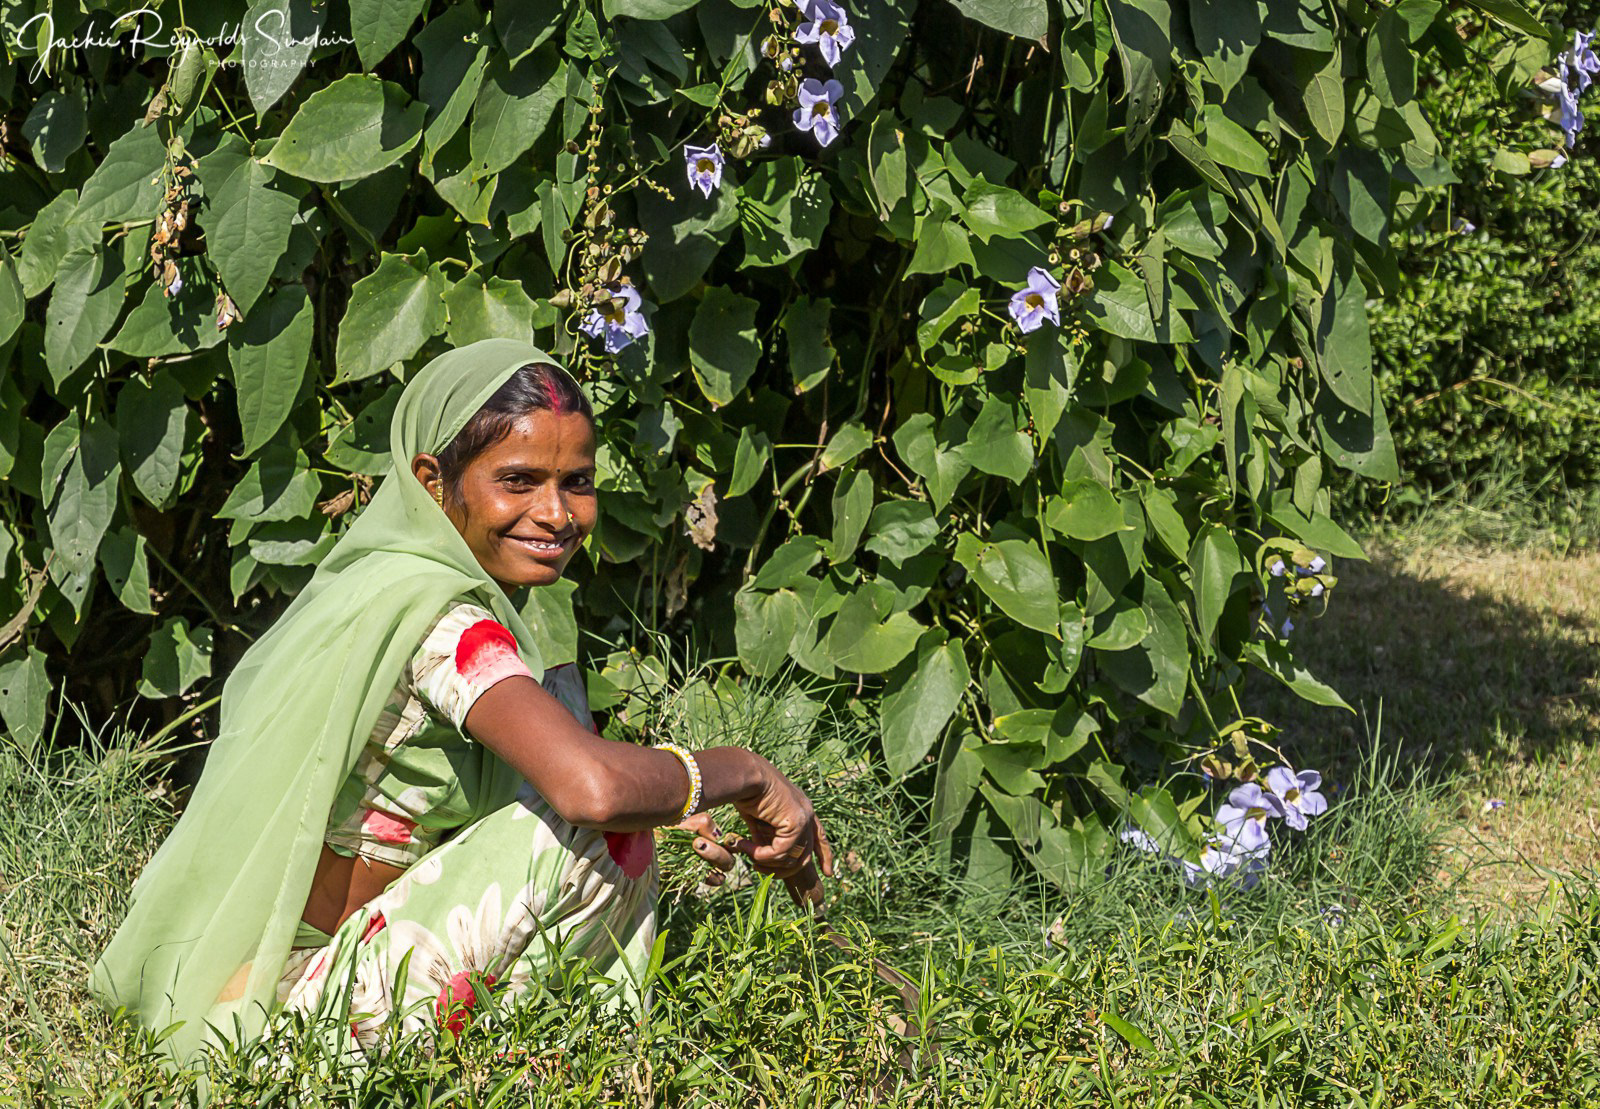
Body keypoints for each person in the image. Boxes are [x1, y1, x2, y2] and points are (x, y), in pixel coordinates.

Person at [91, 339, 834, 1064]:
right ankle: (552, 1059)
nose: (556, 513)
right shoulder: (451, 626)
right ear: (432, 480)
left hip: (232, 989)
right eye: (517, 480)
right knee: (605, 831)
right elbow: (593, 790)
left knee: (643, 800)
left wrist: (674, 799)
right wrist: (747, 773)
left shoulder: (381, 583)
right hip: (288, 1023)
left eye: (576, 481)